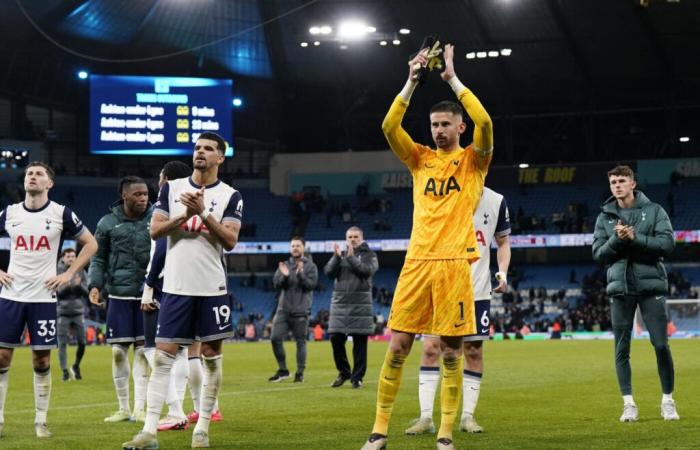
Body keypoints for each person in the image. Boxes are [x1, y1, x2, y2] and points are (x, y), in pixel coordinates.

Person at [361, 43, 493, 450]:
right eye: (434, 124)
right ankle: (379, 431)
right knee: (398, 346)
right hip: (417, 262)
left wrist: (452, 78)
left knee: (451, 351)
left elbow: (485, 120)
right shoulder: (418, 158)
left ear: (460, 128)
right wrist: (412, 80)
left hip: (454, 263)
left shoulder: (474, 161)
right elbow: (388, 127)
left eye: (445, 124)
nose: (438, 130)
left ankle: (446, 433)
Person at [123, 131, 243, 450]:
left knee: (211, 358)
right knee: (162, 358)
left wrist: (203, 212)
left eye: (208, 149)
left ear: (221, 157)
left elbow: (230, 241)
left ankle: (202, 428)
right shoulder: (172, 189)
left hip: (212, 287)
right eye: (197, 148)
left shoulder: (231, 195)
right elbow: (155, 231)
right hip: (176, 287)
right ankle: (148, 432)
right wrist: (185, 214)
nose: (200, 152)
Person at [0, 162, 97, 438]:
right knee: (2, 356)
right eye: (29, 173)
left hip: (43, 296)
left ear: (49, 184)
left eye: (39, 174)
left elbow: (91, 243)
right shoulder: (10, 213)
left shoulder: (61, 213)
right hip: (11, 294)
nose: (32, 177)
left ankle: (40, 420)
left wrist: (68, 274)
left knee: (41, 360)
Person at [405, 187, 511, 435]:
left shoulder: (496, 200)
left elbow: (503, 242)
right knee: (431, 347)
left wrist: (503, 271)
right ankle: (425, 418)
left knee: (473, 351)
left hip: (477, 289)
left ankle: (467, 417)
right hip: (441, 286)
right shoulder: (444, 190)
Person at [592, 165, 679, 422]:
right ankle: (628, 404)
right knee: (622, 348)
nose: (617, 185)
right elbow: (598, 255)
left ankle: (668, 401)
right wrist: (618, 240)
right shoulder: (604, 217)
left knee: (661, 344)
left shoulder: (654, 211)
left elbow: (667, 244)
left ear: (633, 184)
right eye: (613, 182)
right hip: (620, 289)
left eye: (621, 181)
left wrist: (635, 238)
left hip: (651, 287)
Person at [88, 176, 152, 423]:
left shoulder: (156, 219)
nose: (143, 198)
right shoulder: (107, 223)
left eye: (146, 193)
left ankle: (140, 408)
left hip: (148, 294)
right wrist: (95, 284)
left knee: (143, 352)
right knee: (117, 351)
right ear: (125, 196)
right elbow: (98, 257)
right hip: (118, 294)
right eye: (138, 194)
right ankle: (123, 408)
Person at [139, 160, 193, 432]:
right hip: (187, 283)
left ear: (166, 179)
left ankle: (175, 411)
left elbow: (160, 249)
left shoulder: (167, 205)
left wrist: (148, 284)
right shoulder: (194, 204)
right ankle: (179, 410)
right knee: (181, 350)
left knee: (151, 348)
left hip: (163, 283)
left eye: (160, 177)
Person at [325, 226, 378, 389]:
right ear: (346, 238)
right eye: (350, 237)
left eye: (356, 236)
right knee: (335, 338)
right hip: (340, 304)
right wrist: (335, 258)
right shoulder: (340, 256)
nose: (352, 239)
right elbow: (328, 272)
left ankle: (357, 377)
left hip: (360, 305)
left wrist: (351, 258)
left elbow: (367, 271)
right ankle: (344, 372)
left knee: (360, 342)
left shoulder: (370, 255)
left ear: (361, 238)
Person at [268, 237, 318, 383]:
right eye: (293, 246)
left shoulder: (311, 267)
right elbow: (276, 285)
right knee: (275, 338)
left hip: (301, 311)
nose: (295, 248)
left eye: (298, 245)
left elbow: (311, 285)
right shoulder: (284, 265)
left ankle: (300, 373)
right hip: (283, 310)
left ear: (303, 247)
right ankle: (283, 370)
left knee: (300, 342)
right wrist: (284, 276)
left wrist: (301, 274)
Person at [56, 247, 89, 382]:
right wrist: (71, 285)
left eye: (73, 256)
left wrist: (79, 286)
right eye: (68, 256)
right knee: (62, 343)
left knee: (82, 342)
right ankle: (64, 371)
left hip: (77, 312)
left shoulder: (81, 270)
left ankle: (76, 366)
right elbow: (58, 292)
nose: (71, 258)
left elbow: (87, 292)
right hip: (62, 312)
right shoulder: (57, 271)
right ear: (63, 258)